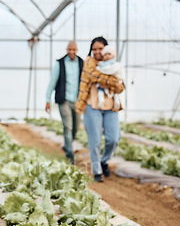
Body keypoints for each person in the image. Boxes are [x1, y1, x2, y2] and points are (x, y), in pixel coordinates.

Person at [75, 37, 125, 182]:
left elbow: (121, 86)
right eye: (94, 49)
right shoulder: (89, 62)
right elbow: (92, 75)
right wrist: (112, 81)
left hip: (110, 107)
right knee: (95, 141)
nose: (97, 52)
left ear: (106, 49)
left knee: (114, 139)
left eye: (100, 49)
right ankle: (97, 171)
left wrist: (111, 83)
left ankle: (104, 160)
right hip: (92, 106)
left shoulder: (113, 63)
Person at [45, 41, 84, 164]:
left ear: (77, 50)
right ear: (66, 50)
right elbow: (52, 82)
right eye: (69, 49)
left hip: (77, 100)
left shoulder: (81, 63)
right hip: (64, 100)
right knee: (68, 125)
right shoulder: (59, 63)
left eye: (73, 50)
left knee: (76, 127)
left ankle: (67, 145)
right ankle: (70, 153)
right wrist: (47, 100)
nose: (71, 52)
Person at [96, 45, 123, 111]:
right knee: (101, 88)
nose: (107, 56)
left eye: (109, 54)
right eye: (105, 54)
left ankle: (116, 100)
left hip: (114, 82)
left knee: (113, 90)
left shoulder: (114, 64)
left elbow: (105, 70)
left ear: (113, 55)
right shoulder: (104, 63)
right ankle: (102, 99)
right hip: (111, 83)